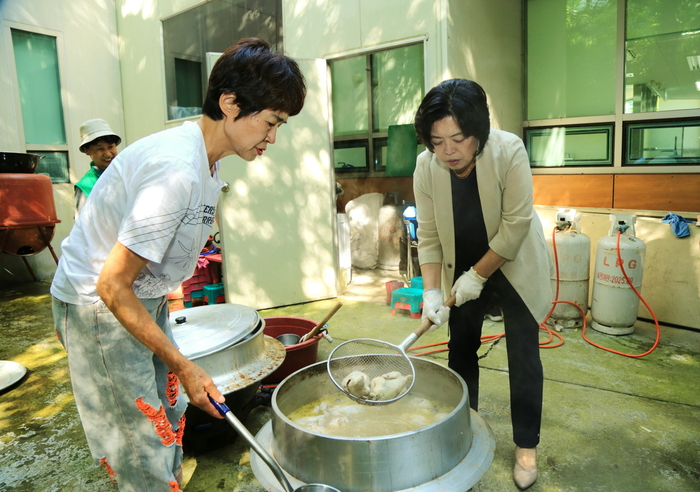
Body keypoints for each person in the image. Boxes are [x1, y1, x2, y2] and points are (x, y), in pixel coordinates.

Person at [50, 38, 306, 492]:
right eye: (271, 122)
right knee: (139, 439)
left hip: (138, 298)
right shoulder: (176, 171)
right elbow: (112, 285)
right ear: (230, 103)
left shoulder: (207, 165)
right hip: (99, 306)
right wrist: (185, 366)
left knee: (167, 415)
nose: (273, 137)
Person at [412, 79, 552, 490]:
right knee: (460, 346)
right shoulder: (426, 167)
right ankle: (465, 427)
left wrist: (478, 276)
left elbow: (515, 228)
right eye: (437, 141)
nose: (448, 151)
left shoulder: (509, 151)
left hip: (513, 263)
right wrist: (433, 292)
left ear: (478, 133)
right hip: (463, 263)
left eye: (458, 138)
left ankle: (526, 445)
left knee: (524, 355)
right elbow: (430, 234)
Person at [74, 119, 121, 217]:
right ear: (87, 150)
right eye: (100, 149)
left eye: (111, 147)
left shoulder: (126, 173)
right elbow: (82, 224)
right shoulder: (86, 186)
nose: (108, 154)